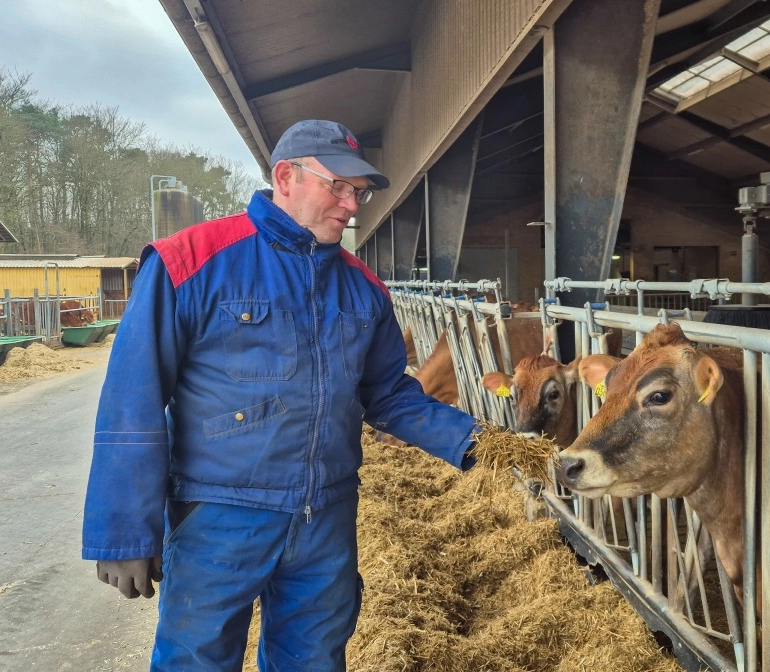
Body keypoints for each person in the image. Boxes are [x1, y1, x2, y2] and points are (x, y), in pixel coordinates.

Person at [81, 119, 480, 670]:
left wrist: (476, 442)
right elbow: (134, 399)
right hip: (220, 513)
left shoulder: (363, 289)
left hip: (325, 518)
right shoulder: (191, 261)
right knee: (197, 659)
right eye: (338, 186)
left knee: (314, 659)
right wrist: (123, 530)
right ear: (285, 177)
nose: (352, 205)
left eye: (359, 192)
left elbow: (388, 395)